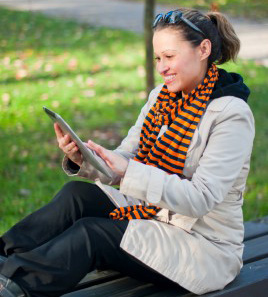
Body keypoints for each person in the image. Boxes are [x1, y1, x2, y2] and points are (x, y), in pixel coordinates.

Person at [0, 7, 255, 297]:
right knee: (77, 195)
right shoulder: (162, 98)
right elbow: (126, 158)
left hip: (202, 247)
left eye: (170, 57)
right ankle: (4, 257)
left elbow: (201, 199)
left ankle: (15, 287)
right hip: (153, 216)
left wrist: (128, 171)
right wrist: (82, 158)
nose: (162, 68)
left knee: (92, 234)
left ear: (203, 50)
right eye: (158, 58)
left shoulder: (231, 114)